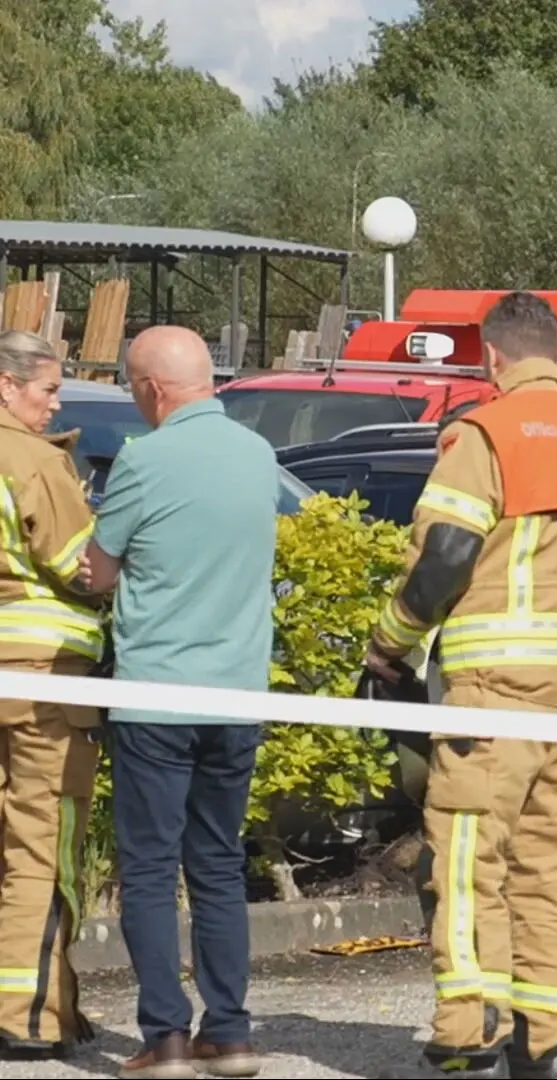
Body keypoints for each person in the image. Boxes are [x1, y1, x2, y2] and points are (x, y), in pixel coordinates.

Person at [364, 291, 557, 1080]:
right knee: (553, 871)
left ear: (492, 357)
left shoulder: (487, 433)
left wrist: (391, 644)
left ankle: (469, 1036)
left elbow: (445, 556)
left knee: (471, 863)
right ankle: (548, 1045)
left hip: (497, 693)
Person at [81, 326, 279, 1080]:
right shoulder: (257, 455)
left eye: (133, 390)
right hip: (236, 694)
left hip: (157, 696)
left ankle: (164, 1036)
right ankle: (230, 1034)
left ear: (152, 390)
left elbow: (98, 572)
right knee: (220, 866)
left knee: (150, 866)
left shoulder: (144, 460)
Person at [0, 330, 110, 1062]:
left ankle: (51, 1002)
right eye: (48, 390)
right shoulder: (34, 460)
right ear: (6, 387)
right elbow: (81, 569)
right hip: (40, 682)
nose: (56, 401)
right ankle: (30, 1016)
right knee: (41, 849)